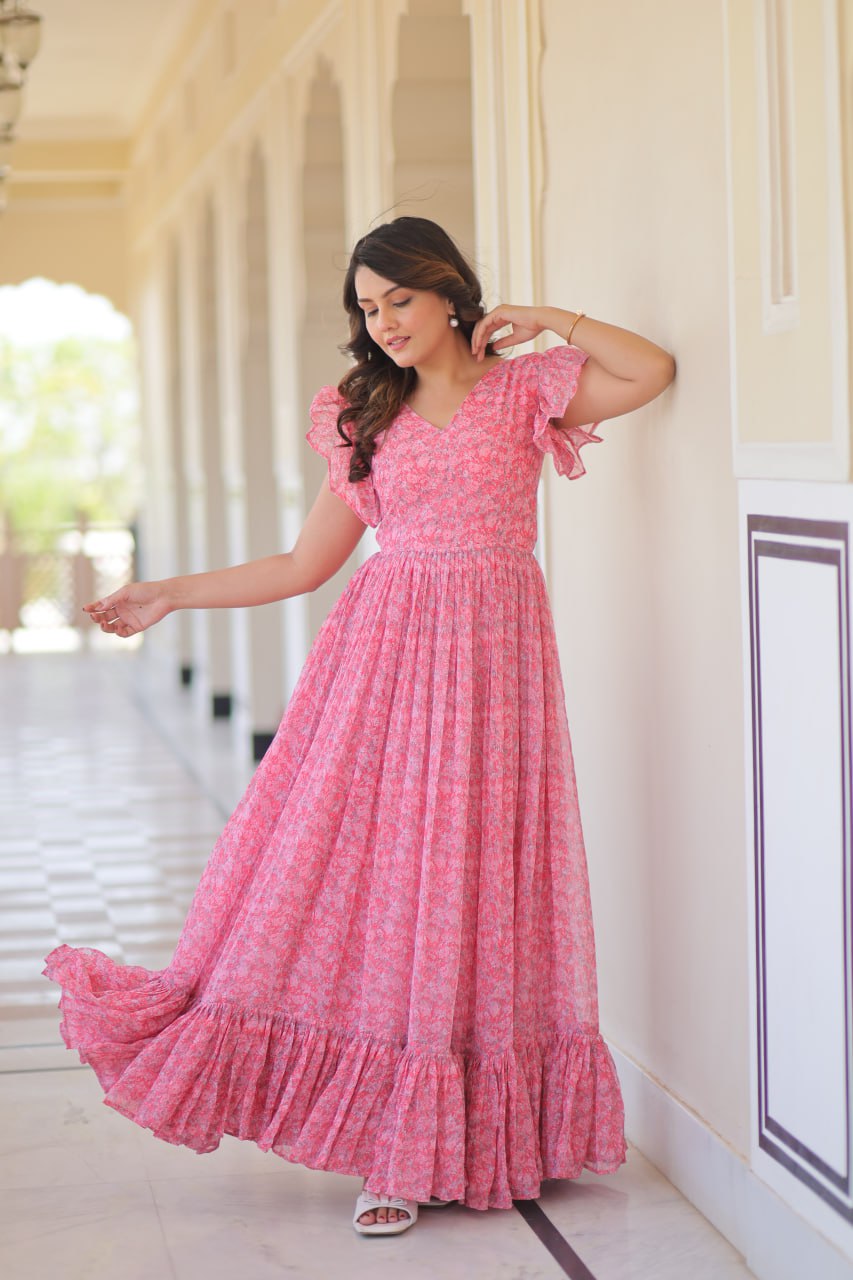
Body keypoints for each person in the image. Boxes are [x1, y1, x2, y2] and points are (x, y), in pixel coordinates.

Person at [43, 216, 675, 1237]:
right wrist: (169, 591)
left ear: (451, 293)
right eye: (368, 307)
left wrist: (547, 316)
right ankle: (392, 1145)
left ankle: (473, 1134)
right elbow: (304, 565)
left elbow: (649, 370)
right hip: (385, 664)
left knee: (482, 882)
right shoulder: (360, 414)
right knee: (386, 879)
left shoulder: (525, 389)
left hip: (499, 671)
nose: (382, 322)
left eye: (400, 300)